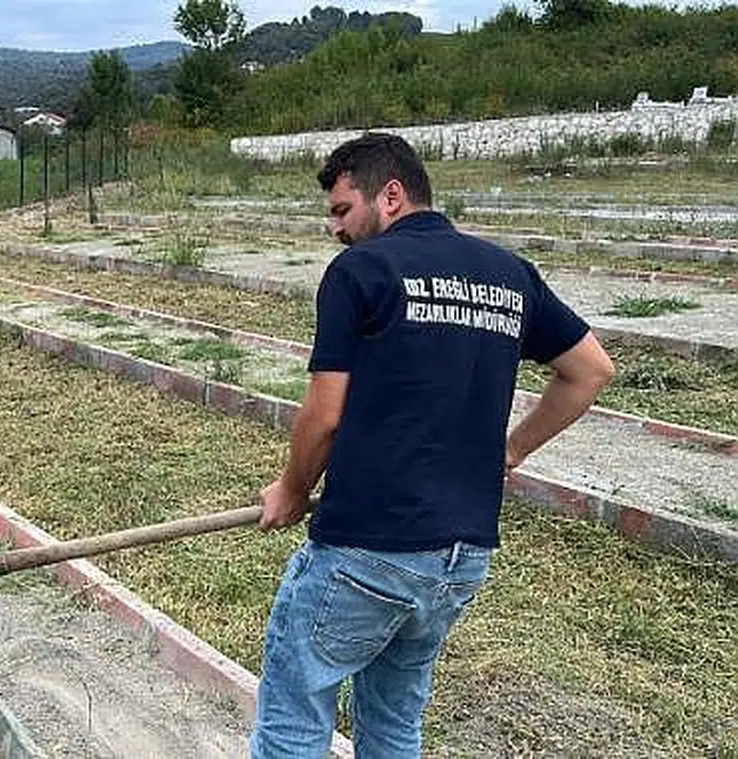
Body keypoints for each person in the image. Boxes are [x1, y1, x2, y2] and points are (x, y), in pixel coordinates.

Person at [249, 133, 615, 758]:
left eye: (341, 211)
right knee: (393, 725)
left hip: (367, 550)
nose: (335, 230)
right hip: (459, 559)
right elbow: (590, 371)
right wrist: (512, 450)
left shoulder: (361, 271)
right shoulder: (509, 273)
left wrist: (292, 489)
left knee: (292, 719)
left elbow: (326, 414)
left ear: (389, 195)